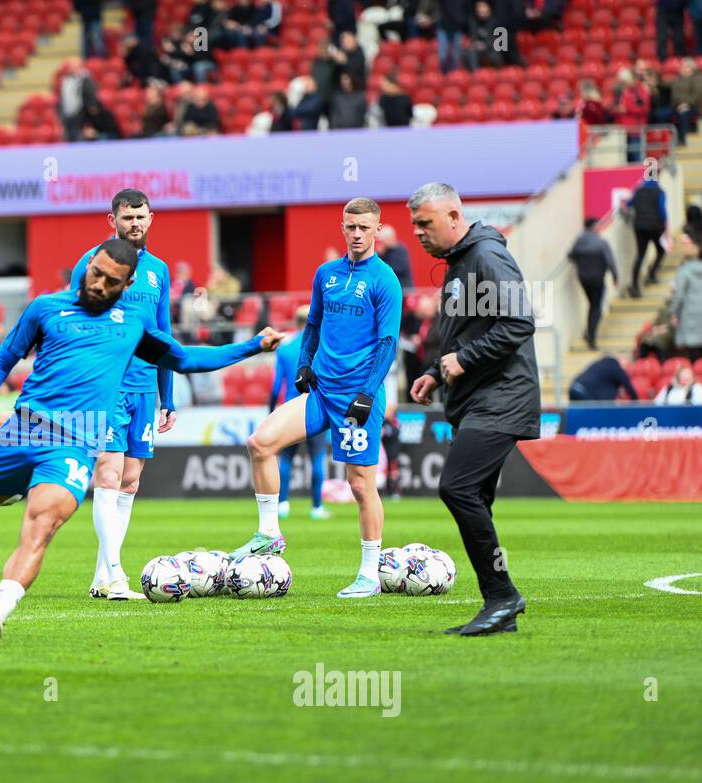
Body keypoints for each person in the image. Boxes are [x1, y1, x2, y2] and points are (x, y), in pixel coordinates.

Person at [0, 238, 284, 649]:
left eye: (110, 280)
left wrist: (252, 346)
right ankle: (16, 485)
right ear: (87, 266)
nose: (99, 284)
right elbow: (1, 361)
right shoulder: (46, 309)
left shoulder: (133, 322)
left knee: (41, 527)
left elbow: (185, 359)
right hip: (22, 430)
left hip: (73, 443)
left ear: (128, 283)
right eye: (95, 273)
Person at [231, 198, 401, 599]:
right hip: (322, 392)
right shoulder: (326, 274)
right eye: (350, 227)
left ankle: (369, 573)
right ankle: (269, 534)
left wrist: (368, 391)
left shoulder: (385, 280)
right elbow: (312, 325)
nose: (357, 234)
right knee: (260, 443)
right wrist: (305, 363)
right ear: (342, 228)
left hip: (357, 399)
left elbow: (389, 342)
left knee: (360, 486)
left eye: (364, 228)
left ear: (378, 230)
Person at [407, 182, 539, 636]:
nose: (419, 233)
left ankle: (503, 596)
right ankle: (500, 606)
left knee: (458, 488)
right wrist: (434, 369)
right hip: (479, 396)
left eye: (426, 223)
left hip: (502, 397)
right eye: (415, 226)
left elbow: (520, 321)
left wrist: (464, 360)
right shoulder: (460, 263)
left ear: (454, 217)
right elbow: (465, 332)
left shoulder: (485, 256)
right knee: (474, 496)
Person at [68, 190, 175, 600]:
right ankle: (117, 577)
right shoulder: (92, 262)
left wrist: (169, 397)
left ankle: (101, 576)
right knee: (107, 475)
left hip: (145, 387)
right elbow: (71, 321)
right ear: (111, 220)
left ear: (151, 219)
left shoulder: (158, 272)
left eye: (141, 217)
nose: (135, 223)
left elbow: (163, 336)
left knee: (129, 482)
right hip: (105, 386)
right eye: (127, 217)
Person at [272, 307, 331, 520]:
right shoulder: (323, 347)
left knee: (286, 458)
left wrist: (271, 412)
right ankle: (316, 507)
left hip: (290, 408)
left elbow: (276, 385)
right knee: (317, 458)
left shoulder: (285, 348)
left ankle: (282, 504)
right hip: (315, 407)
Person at [567, 217, 619, 349]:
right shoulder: (601, 242)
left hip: (583, 278)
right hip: (597, 279)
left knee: (592, 304)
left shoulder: (579, 241)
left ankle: (588, 331)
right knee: (597, 306)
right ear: (594, 226)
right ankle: (591, 336)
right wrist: (615, 277)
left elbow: (571, 255)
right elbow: (610, 261)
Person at [625, 175, 668, 298]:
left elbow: (628, 204)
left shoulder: (638, 191)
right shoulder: (660, 192)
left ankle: (634, 286)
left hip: (640, 227)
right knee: (661, 250)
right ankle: (652, 274)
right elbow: (662, 211)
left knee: (640, 255)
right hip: (655, 227)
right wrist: (666, 227)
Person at [668, 241, 702, 362]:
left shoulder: (684, 271)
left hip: (690, 314)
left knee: (694, 353)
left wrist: (672, 312)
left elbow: (679, 295)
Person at [567, 354, 638, 401]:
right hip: (585, 393)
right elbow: (629, 387)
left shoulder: (604, 362)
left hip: (574, 387)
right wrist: (638, 406)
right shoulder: (616, 366)